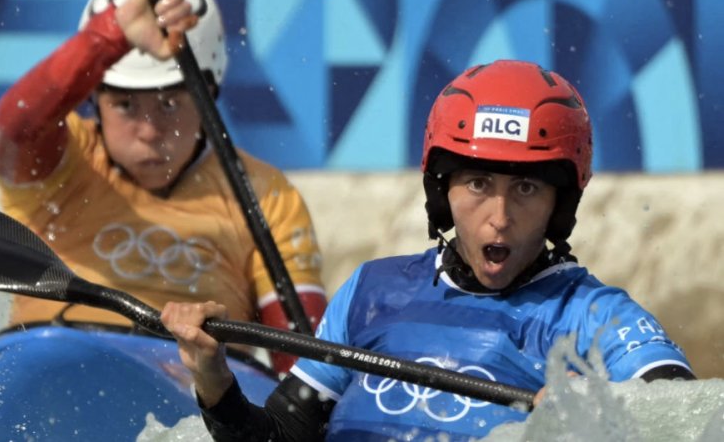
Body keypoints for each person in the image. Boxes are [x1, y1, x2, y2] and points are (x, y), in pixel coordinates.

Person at [160, 60, 695, 440]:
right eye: (478, 184)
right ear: (441, 192)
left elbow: (690, 417)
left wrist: (599, 423)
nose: (500, 216)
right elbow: (274, 440)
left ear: (562, 203)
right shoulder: (371, 291)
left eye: (527, 189)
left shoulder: (595, 316)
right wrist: (214, 378)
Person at [0, 0, 327, 373]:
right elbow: (15, 127)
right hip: (47, 372)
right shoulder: (62, 158)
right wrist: (110, 35)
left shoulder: (268, 195)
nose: (149, 131)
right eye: (125, 105)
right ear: (94, 98)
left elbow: (304, 373)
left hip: (189, 401)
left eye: (170, 105)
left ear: (208, 95)